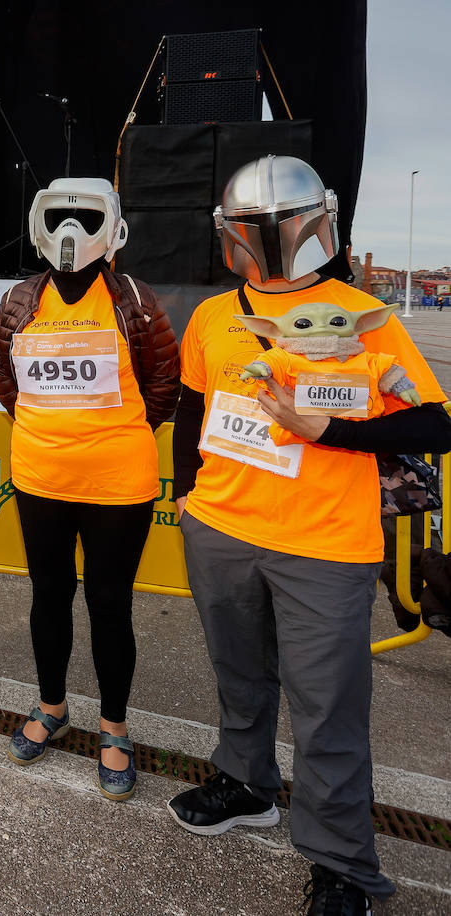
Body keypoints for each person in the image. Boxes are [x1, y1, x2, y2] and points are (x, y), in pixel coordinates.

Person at [167, 156, 451, 914]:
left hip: (325, 544)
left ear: (317, 222)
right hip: (222, 530)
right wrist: (189, 497)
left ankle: (341, 865)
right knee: (239, 677)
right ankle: (246, 783)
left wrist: (329, 431)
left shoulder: (366, 316)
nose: (269, 239)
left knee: (327, 709)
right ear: (230, 235)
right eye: (251, 228)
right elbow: (194, 411)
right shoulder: (210, 316)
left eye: (279, 224)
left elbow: (434, 422)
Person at [0, 179, 179, 802]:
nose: (70, 229)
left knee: (109, 604)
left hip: (119, 486)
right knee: (48, 597)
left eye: (84, 215)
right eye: (59, 215)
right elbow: (4, 376)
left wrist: (113, 435)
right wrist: (51, 433)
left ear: (112, 225)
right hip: (41, 480)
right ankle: (51, 706)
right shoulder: (20, 299)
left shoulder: (136, 301)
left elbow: (163, 384)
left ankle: (114, 727)